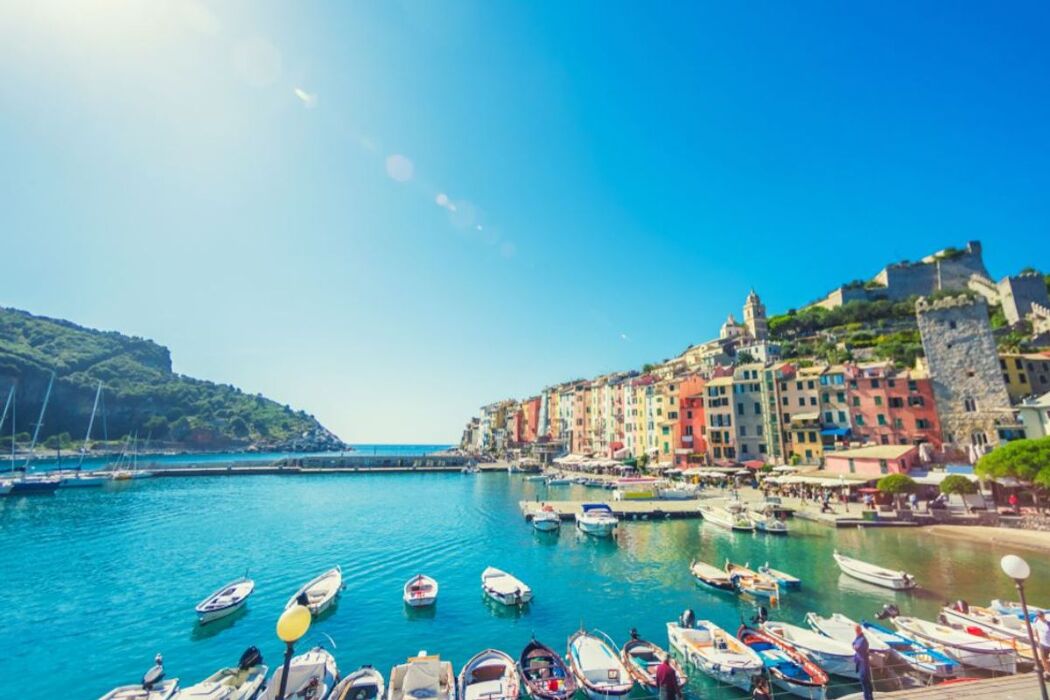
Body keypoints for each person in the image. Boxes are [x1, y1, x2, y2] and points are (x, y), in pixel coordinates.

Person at [853, 625, 874, 700]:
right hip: (862, 663)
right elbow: (854, 645)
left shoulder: (862, 640)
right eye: (856, 630)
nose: (856, 632)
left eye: (857, 630)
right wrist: (854, 646)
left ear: (859, 630)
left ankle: (867, 698)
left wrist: (854, 646)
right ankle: (870, 697)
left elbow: (856, 647)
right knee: (866, 681)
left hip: (863, 664)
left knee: (865, 681)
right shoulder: (859, 638)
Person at [1034, 610, 1050, 676]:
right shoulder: (1036, 622)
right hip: (1042, 644)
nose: (1040, 617)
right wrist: (1038, 641)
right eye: (1038, 616)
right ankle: (1047, 671)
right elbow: (1036, 632)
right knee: (1043, 659)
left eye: (1041, 615)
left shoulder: (1048, 623)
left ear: (1044, 615)